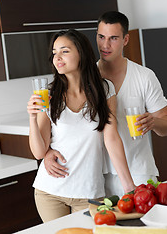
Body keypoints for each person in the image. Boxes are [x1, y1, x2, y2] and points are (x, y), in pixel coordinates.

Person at [44, 11, 167, 197]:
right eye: (101, 37)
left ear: (125, 40)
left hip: (138, 170)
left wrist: (154, 122)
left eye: (113, 38)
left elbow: (164, 126)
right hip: (96, 176)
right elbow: (65, 127)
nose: (105, 45)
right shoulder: (82, 78)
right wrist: (47, 152)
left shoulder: (144, 77)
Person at [27, 29, 135, 222]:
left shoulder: (105, 89)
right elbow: (38, 152)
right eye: (54, 52)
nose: (57, 57)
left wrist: (129, 186)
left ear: (81, 53)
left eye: (64, 51)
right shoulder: (49, 95)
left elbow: (111, 138)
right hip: (49, 192)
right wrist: (32, 119)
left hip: (88, 192)